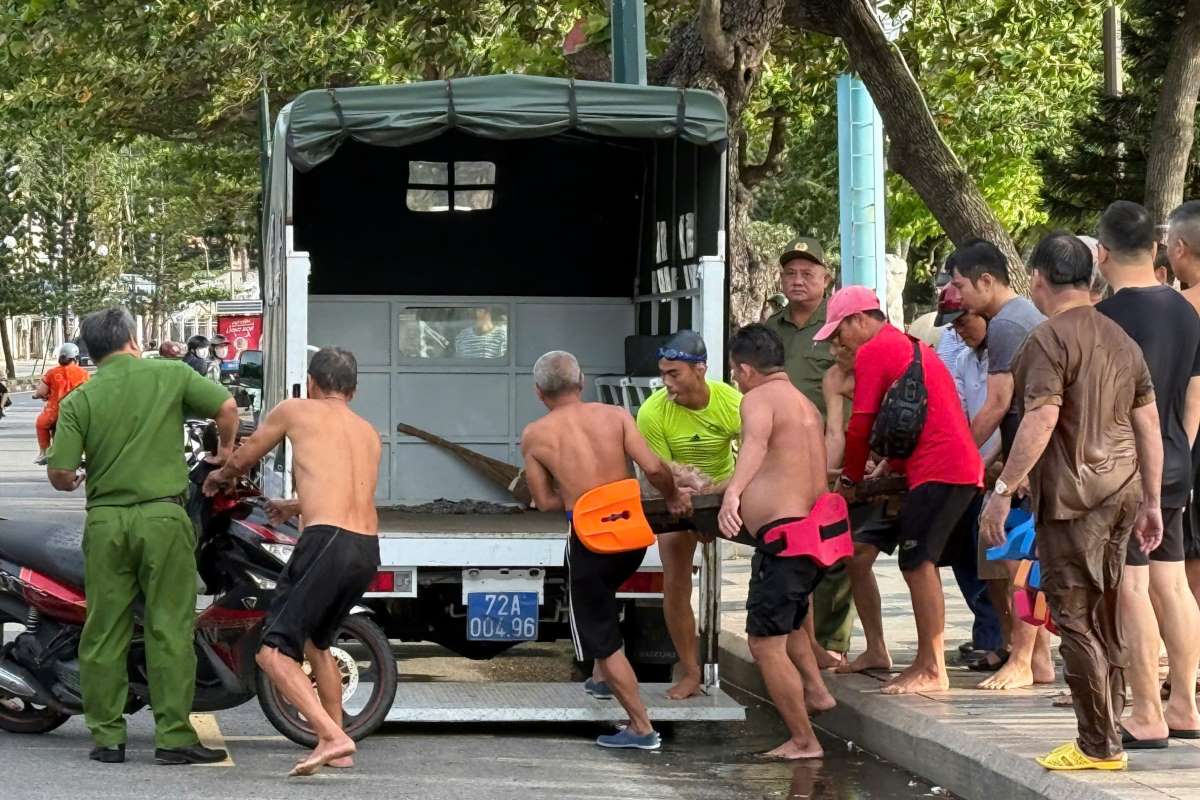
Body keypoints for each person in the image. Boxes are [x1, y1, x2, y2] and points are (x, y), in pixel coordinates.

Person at [979, 232, 1165, 771]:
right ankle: (1107, 732)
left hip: (1073, 499)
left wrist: (1001, 490)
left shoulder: (1045, 340)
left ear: (1037, 280)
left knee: (1075, 618)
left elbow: (1041, 418)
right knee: (1104, 614)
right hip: (1122, 491)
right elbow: (1147, 423)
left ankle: (1097, 744)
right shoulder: (1120, 339)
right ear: (1091, 277)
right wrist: (1151, 499)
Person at [45, 306, 238, 766]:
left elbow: (60, 472)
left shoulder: (80, 400)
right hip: (163, 519)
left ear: (91, 351)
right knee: (168, 629)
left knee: (104, 630)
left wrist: (72, 481)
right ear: (132, 338)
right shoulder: (169, 374)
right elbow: (227, 407)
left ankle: (108, 738)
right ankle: (172, 738)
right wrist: (225, 452)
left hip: (107, 522)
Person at [203, 347, 382, 776]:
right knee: (317, 645)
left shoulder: (296, 410)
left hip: (325, 543)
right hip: (366, 546)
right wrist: (294, 505)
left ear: (314, 383)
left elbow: (246, 457)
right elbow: (345, 490)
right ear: (353, 391)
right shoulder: (368, 432)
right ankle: (337, 744)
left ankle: (334, 736)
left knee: (272, 655)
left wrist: (218, 474)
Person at [817, 286, 983, 694]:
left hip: (942, 470)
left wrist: (850, 481)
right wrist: (887, 465)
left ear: (859, 320)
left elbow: (861, 426)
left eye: (839, 332)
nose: (838, 343)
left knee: (917, 563)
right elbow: (910, 419)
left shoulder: (875, 351)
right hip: (933, 468)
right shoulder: (905, 346)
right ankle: (880, 651)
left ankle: (932, 666)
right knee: (874, 556)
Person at [520, 350, 686, 750]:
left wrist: (570, 487)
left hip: (591, 541)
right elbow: (655, 468)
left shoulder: (536, 434)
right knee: (605, 600)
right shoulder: (616, 416)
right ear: (582, 382)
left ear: (539, 392)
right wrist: (674, 496)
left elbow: (543, 501)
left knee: (601, 636)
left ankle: (641, 727)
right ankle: (600, 679)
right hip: (630, 539)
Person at [1094, 201, 1200, 746]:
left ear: (1102, 253)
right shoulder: (1186, 311)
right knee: (1174, 582)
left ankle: (1145, 714)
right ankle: (1185, 705)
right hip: (1179, 458)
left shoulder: (1106, 320)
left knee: (1133, 585)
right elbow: (1193, 397)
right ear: (1157, 250)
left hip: (1130, 468)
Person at [717, 324, 845, 759]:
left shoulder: (758, 399)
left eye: (736, 373)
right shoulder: (803, 402)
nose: (737, 380)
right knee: (790, 625)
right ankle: (817, 691)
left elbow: (754, 443)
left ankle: (804, 741)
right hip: (813, 535)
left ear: (747, 369)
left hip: (786, 539)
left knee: (763, 642)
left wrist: (733, 492)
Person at [948, 238, 1054, 692]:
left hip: (1032, 464)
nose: (956, 297)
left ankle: (1027, 659)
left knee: (1020, 560)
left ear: (986, 281)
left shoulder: (1009, 324)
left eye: (960, 286)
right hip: (1017, 457)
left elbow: (998, 405)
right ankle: (1034, 658)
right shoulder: (1013, 320)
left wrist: (960, 458)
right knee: (999, 552)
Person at [635, 330, 742, 700]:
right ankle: (691, 672)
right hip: (677, 495)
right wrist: (686, 500)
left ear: (700, 370)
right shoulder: (653, 410)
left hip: (724, 491)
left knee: (783, 550)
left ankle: (806, 656)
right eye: (662, 374)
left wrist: (723, 491)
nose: (666, 383)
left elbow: (758, 457)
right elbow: (660, 472)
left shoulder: (731, 402)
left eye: (674, 374)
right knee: (676, 577)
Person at [764, 238, 853, 668]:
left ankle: (833, 643)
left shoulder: (838, 325)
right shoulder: (771, 327)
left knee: (831, 547)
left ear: (826, 279)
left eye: (807, 273)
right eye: (790, 273)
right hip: (780, 459)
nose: (797, 281)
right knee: (789, 547)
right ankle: (802, 641)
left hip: (828, 452)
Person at [935, 286, 1006, 667]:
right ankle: (989, 631)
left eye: (964, 321)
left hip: (1007, 467)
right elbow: (960, 417)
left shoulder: (1008, 353)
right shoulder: (963, 361)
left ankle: (1004, 639)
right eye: (954, 326)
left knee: (1000, 556)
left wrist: (997, 463)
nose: (960, 330)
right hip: (974, 469)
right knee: (964, 549)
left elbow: (1007, 411)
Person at [1167, 200, 1200, 612]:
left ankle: (1189, 663)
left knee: (1192, 555)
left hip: (1189, 441)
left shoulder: (1181, 308)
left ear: (1178, 247)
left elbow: (1191, 389)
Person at [34, 342, 90, 464]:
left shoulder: (52, 373)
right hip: (77, 413)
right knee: (87, 428)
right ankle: (85, 453)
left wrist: (38, 395)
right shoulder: (84, 374)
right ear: (76, 358)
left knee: (41, 424)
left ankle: (44, 452)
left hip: (54, 413)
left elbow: (41, 391)